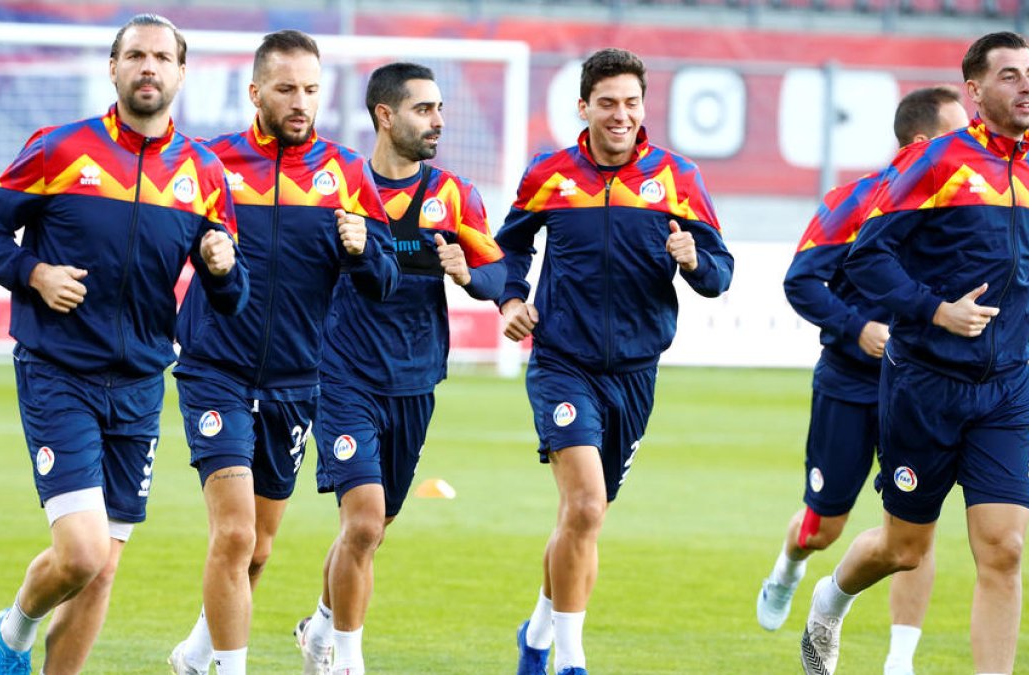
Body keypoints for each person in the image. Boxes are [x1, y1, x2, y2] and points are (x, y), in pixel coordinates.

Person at [0, 14, 248, 675]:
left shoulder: (205, 173)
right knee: (84, 551)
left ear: (181, 73)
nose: (149, 67)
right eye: (135, 55)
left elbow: (232, 296)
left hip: (142, 383)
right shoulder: (58, 149)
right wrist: (35, 273)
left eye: (162, 58)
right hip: (58, 371)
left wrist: (223, 267)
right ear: (113, 68)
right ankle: (15, 629)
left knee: (103, 568)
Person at [801, 31, 1029, 675]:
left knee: (1006, 550)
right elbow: (866, 258)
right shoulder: (936, 162)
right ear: (975, 90)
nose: (1026, 86)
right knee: (904, 548)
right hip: (924, 385)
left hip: (1007, 389)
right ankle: (831, 599)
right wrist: (936, 311)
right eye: (1010, 75)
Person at [166, 30, 399, 675]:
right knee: (235, 532)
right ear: (255, 92)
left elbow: (384, 281)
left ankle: (197, 654)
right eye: (286, 89)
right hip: (216, 371)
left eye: (311, 90)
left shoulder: (345, 173)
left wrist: (362, 250)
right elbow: (159, 247)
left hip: (296, 383)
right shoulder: (211, 163)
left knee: (259, 548)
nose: (300, 102)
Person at [496, 48, 734, 675]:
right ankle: (571, 660)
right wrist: (511, 299)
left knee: (583, 519)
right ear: (584, 107)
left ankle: (537, 634)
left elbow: (720, 274)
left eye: (631, 103)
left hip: (635, 374)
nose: (620, 115)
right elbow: (508, 250)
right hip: (562, 362)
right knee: (584, 507)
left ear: (643, 107)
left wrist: (694, 261)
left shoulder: (678, 177)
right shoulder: (548, 174)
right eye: (607, 103)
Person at [290, 62, 506, 675]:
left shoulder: (455, 195)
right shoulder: (339, 188)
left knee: (372, 529)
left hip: (414, 380)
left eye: (440, 109)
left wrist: (468, 274)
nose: (438, 121)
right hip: (342, 377)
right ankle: (348, 662)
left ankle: (320, 628)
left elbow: (497, 274)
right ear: (385, 116)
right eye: (423, 109)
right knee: (361, 523)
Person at [757, 86, 968, 674]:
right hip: (852, 383)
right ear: (922, 144)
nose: (972, 143)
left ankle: (899, 661)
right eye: (958, 134)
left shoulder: (967, 208)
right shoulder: (855, 200)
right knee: (823, 527)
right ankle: (788, 569)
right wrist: (856, 328)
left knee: (916, 526)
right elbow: (801, 281)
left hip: (924, 385)